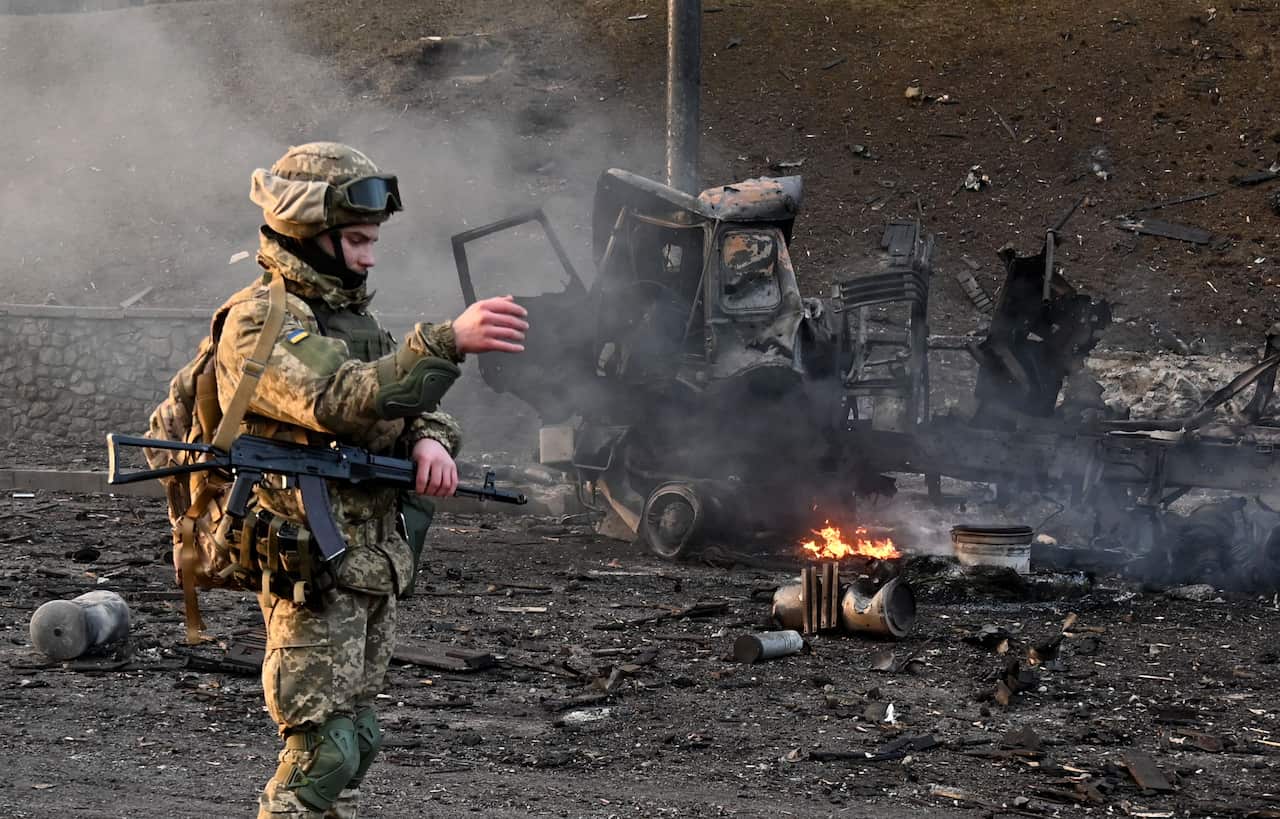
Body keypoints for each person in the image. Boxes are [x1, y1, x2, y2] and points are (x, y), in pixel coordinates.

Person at [216, 141, 527, 818]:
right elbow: (336, 398)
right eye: (357, 239)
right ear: (308, 231)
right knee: (320, 754)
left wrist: (429, 444)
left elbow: (413, 408)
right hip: (313, 565)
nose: (370, 255)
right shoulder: (262, 321)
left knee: (356, 741)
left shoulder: (351, 321)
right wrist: (445, 341)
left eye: (373, 239)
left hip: (367, 561)